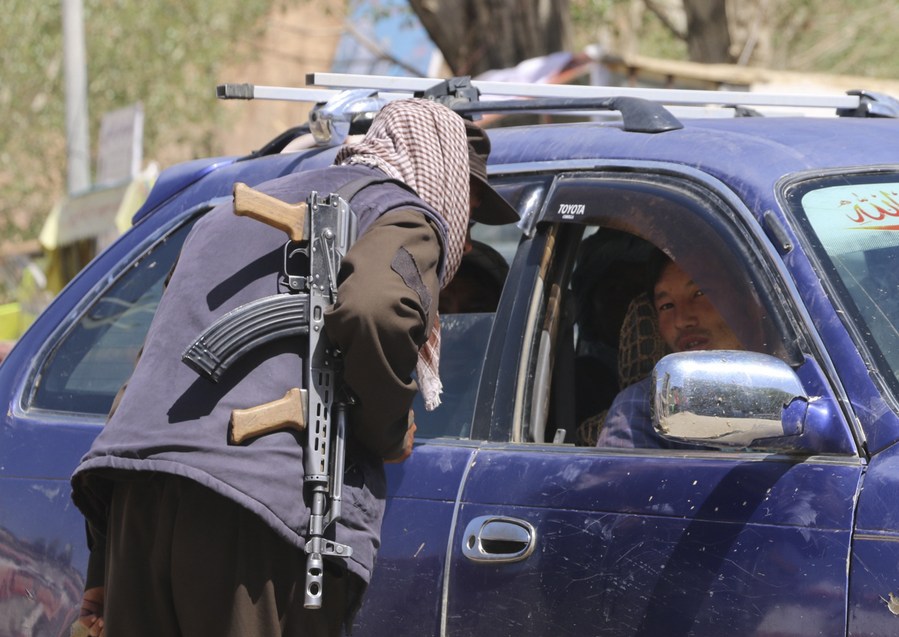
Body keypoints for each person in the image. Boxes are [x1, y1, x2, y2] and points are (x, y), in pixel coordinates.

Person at [70, 100, 518, 637]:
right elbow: (373, 307)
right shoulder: (405, 215)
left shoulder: (221, 218)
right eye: (469, 208)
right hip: (255, 522)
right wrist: (388, 429)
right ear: (440, 176)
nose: (463, 238)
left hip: (136, 508)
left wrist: (103, 564)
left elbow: (147, 383)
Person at [596, 252, 743, 449]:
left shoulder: (786, 380)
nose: (681, 320)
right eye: (666, 306)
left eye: (699, 294)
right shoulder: (641, 411)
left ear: (750, 302)